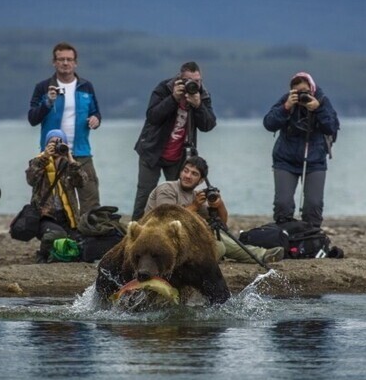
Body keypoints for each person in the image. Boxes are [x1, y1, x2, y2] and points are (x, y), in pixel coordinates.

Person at [145, 155, 284, 264]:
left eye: (194, 174)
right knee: (219, 247)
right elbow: (165, 221)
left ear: (200, 180)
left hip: (182, 240)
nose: (187, 176)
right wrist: (194, 206)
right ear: (180, 172)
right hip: (161, 240)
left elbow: (221, 225)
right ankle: (259, 255)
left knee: (219, 238)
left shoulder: (196, 196)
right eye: (185, 171)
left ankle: (263, 255)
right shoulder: (167, 189)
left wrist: (219, 205)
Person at [131, 61, 217, 220]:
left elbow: (208, 125)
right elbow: (152, 117)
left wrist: (198, 106)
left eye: (198, 81)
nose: (194, 84)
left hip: (179, 155)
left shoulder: (202, 95)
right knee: (144, 195)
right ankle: (135, 232)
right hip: (152, 151)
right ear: (180, 78)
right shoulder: (165, 88)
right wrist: (173, 99)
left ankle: (173, 231)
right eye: (189, 80)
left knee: (179, 196)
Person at [28, 42, 101, 215]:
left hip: (81, 152)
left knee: (90, 199)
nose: (65, 63)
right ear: (54, 62)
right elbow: (32, 119)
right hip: (53, 155)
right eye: (61, 59)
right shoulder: (43, 87)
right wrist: (48, 102)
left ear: (76, 63)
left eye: (69, 59)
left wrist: (96, 119)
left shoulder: (86, 86)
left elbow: (96, 112)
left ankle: (90, 238)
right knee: (55, 202)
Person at [263, 72, 340, 228]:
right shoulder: (287, 101)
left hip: (315, 160)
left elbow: (332, 127)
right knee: (282, 204)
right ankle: (285, 232)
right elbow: (269, 123)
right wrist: (286, 107)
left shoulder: (322, 100)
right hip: (285, 159)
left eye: (305, 91)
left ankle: (311, 235)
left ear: (312, 89)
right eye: (298, 92)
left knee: (313, 204)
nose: (302, 95)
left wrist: (318, 109)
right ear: (292, 91)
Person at [25, 129, 86, 263]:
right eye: (52, 142)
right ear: (46, 145)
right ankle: (42, 254)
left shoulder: (69, 163)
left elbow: (81, 182)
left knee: (82, 248)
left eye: (60, 142)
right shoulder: (37, 161)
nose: (56, 145)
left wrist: (71, 159)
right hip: (46, 216)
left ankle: (56, 252)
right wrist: (44, 158)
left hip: (66, 217)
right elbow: (31, 179)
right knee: (57, 235)